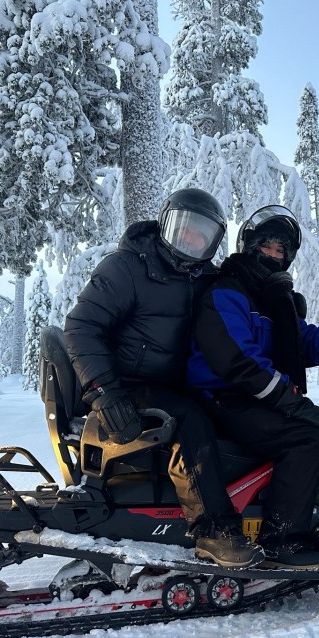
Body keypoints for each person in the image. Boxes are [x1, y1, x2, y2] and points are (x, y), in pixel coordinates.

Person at [64, 188, 264, 568]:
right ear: (166, 225)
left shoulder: (205, 278)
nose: (191, 241)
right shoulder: (126, 267)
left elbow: (239, 305)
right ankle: (213, 530)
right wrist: (104, 393)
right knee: (189, 417)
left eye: (201, 237)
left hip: (178, 382)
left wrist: (277, 299)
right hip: (127, 384)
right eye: (184, 230)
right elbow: (82, 326)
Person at [187, 205, 319, 568]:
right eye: (267, 247)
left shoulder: (272, 299)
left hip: (249, 397)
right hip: (223, 398)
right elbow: (236, 361)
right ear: (250, 246)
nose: (274, 256)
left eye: (281, 251)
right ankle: (283, 539)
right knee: (307, 434)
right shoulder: (228, 292)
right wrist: (287, 399)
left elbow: (302, 341)